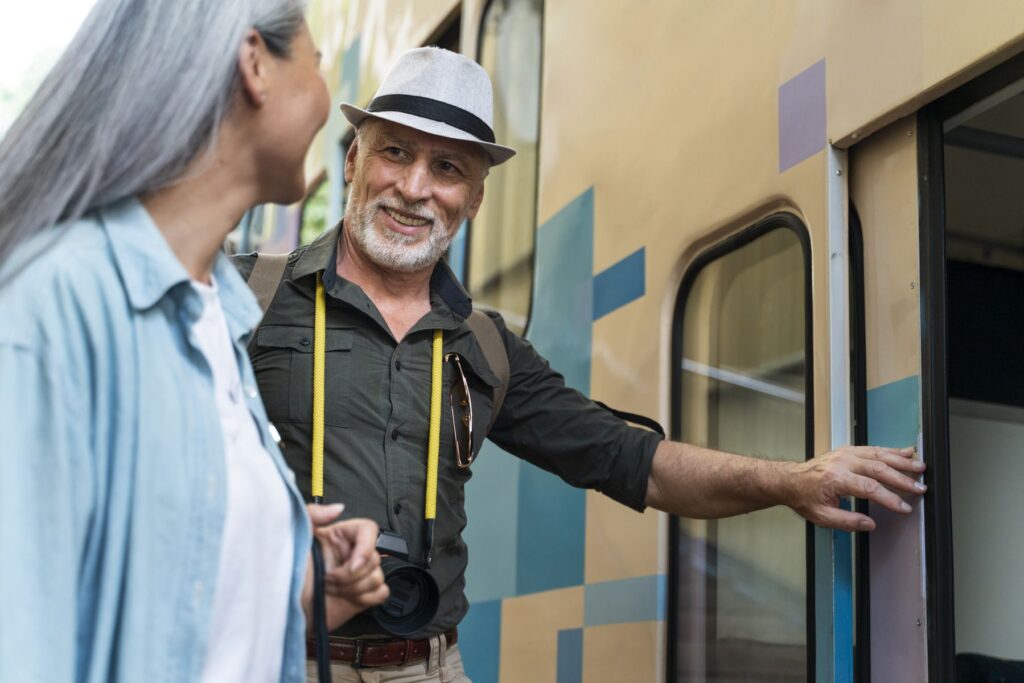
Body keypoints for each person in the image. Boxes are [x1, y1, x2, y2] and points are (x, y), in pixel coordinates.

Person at [236, 47, 926, 682]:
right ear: (354, 160)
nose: (415, 187)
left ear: (474, 198)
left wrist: (791, 480)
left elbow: (632, 459)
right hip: (271, 656)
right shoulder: (243, 296)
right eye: (396, 152)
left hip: (427, 666)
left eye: (448, 168)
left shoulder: (489, 346)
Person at [0, 2, 389, 682]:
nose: (327, 96)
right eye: (317, 64)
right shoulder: (55, 306)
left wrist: (289, 575)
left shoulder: (217, 318)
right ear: (254, 65)